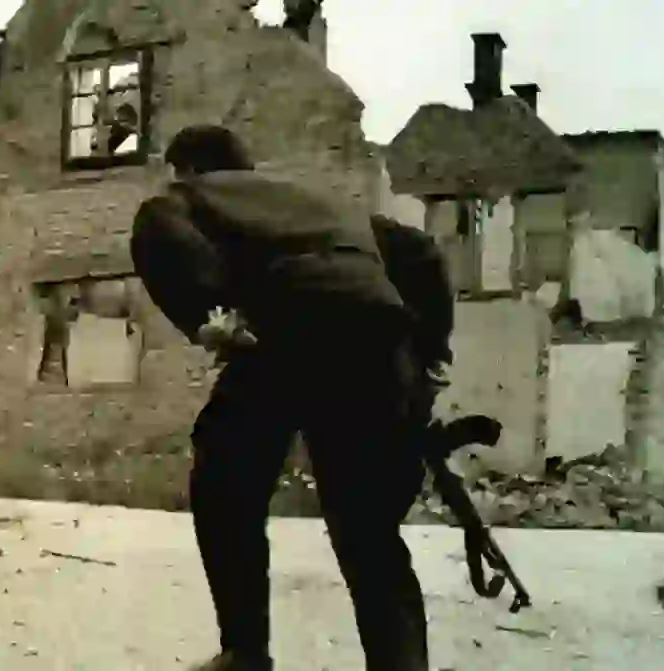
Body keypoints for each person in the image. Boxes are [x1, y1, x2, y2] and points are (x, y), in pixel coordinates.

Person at [131, 125, 443, 671]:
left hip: (290, 326)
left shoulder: (194, 195)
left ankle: (245, 652)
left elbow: (159, 228)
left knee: (226, 481)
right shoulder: (324, 204)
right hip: (379, 340)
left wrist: (209, 315)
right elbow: (420, 251)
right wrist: (430, 348)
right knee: (366, 523)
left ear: (189, 170)